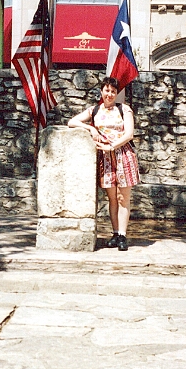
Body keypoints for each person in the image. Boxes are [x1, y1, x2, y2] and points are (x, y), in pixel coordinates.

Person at [68, 76, 140, 251]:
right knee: (112, 198)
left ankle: (123, 235)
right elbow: (72, 122)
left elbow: (129, 134)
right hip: (106, 159)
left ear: (116, 94)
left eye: (113, 91)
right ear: (102, 91)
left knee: (123, 197)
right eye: (107, 90)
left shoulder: (125, 110)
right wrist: (91, 128)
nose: (109, 94)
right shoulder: (94, 110)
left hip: (123, 154)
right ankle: (115, 233)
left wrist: (111, 147)